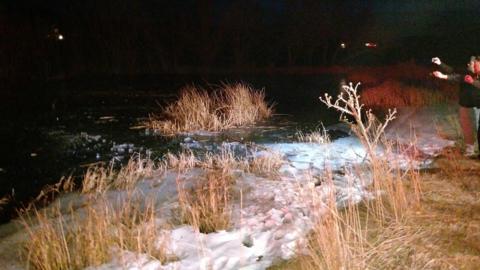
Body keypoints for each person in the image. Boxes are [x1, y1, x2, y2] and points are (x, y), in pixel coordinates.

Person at [432, 56, 480, 157]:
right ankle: (470, 150)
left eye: (474, 63)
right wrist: (441, 66)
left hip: (478, 106)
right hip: (465, 105)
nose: (471, 65)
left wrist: (473, 82)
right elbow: (453, 73)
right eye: (472, 63)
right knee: (467, 128)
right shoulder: (465, 73)